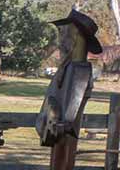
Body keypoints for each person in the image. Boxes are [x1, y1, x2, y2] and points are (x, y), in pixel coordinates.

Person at [35, 8, 103, 146]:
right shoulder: (64, 69)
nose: (61, 36)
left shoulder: (80, 71)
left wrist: (59, 125)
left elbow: (68, 119)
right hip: (55, 138)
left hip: (65, 144)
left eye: (66, 30)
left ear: (76, 34)